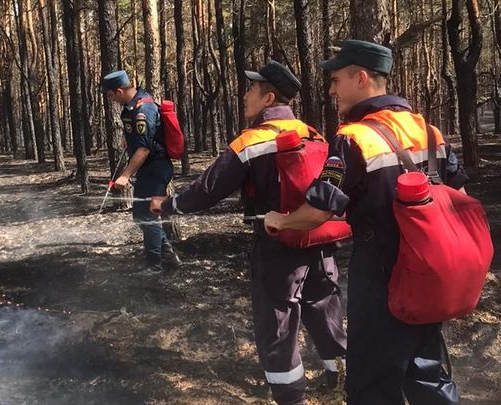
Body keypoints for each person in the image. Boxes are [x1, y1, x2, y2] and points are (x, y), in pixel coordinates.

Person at [263, 40, 467, 405]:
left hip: (381, 278)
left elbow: (320, 210)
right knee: (428, 372)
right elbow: (459, 194)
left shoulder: (354, 137)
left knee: (371, 382)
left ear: (361, 78)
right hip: (431, 272)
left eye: (336, 79)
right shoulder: (428, 130)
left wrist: (281, 219)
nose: (331, 89)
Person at [150, 61, 346, 405]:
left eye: (250, 90)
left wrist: (168, 205)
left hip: (277, 246)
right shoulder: (313, 132)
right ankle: (343, 379)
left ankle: (291, 397)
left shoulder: (251, 141)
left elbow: (207, 190)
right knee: (324, 309)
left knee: (278, 325)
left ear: (268, 98)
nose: (244, 96)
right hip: (321, 241)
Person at [101, 70, 180, 276]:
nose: (113, 100)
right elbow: (138, 139)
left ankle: (154, 266)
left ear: (119, 90)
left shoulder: (144, 108)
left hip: (156, 167)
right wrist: (129, 139)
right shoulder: (130, 109)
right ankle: (168, 255)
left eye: (112, 96)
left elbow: (144, 149)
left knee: (147, 215)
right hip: (147, 169)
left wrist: (125, 175)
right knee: (140, 215)